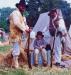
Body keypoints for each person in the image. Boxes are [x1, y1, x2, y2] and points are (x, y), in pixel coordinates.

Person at [9, 1, 30, 68]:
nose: (23, 8)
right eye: (22, 6)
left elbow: (25, 24)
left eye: (24, 7)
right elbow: (16, 23)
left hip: (20, 35)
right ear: (19, 6)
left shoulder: (22, 16)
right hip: (14, 33)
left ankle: (13, 63)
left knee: (17, 48)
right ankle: (15, 65)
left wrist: (28, 28)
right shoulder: (15, 13)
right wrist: (25, 29)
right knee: (16, 49)